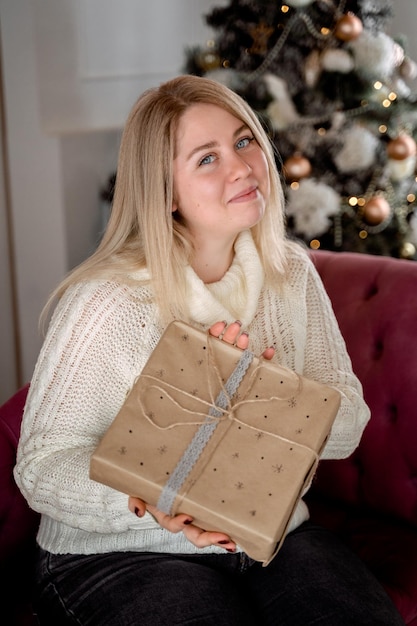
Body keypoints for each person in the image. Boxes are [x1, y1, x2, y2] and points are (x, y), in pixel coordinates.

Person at [14, 74, 404, 626]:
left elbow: (348, 426)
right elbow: (42, 467)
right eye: (207, 159)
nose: (242, 168)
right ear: (166, 193)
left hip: (269, 537)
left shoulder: (291, 275)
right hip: (118, 552)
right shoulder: (106, 299)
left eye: (244, 141)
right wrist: (156, 500)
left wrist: (267, 396)